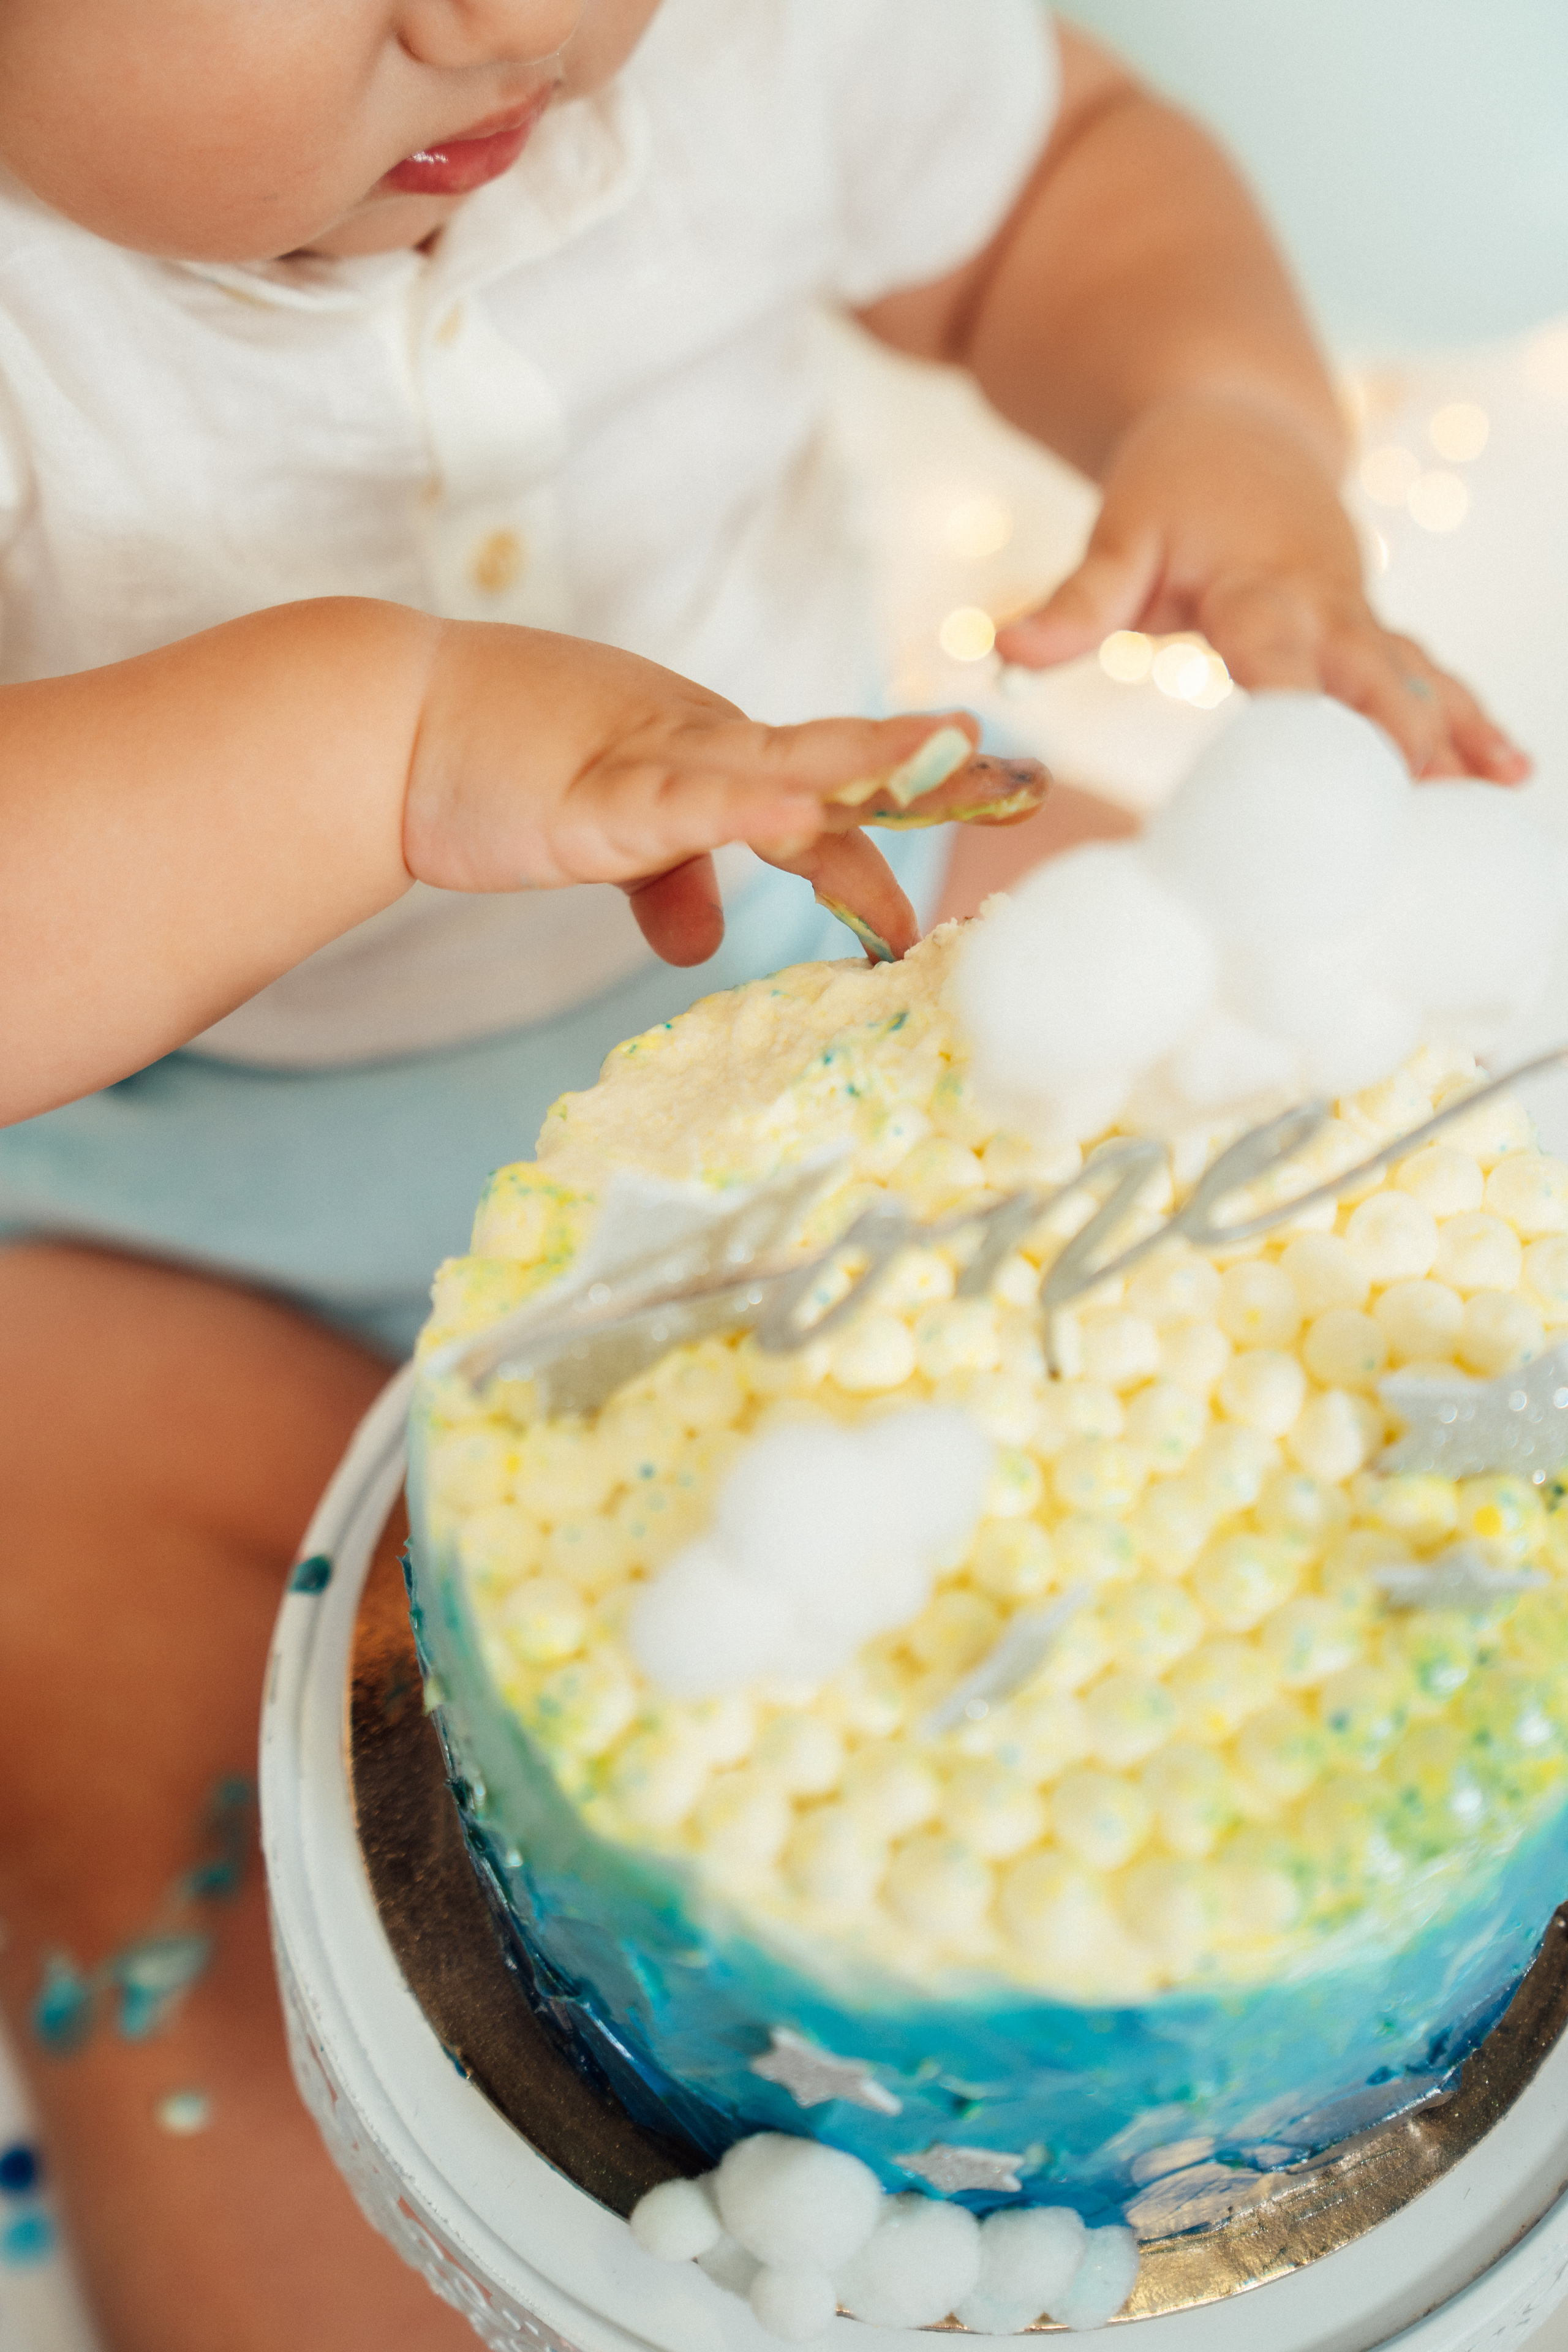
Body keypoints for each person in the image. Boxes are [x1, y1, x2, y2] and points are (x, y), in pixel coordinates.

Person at [0, 4, 1527, 2347]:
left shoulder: (742, 40)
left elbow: (1062, 175)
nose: (508, 19)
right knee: (156, 1849)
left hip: (825, 948)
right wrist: (377, 748)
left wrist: (1209, 409)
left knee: (1280, 1054)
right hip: (136, 1173)